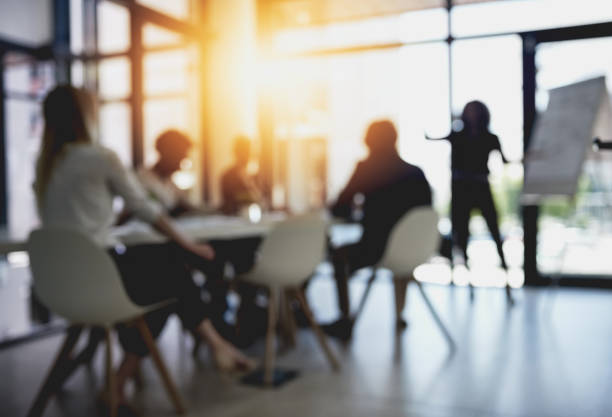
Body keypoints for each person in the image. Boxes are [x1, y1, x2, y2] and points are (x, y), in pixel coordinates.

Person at [34, 85, 254, 407]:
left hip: (59, 287)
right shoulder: (100, 157)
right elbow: (148, 211)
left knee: (164, 275)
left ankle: (212, 345)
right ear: (85, 116)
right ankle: (201, 348)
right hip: (99, 279)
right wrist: (190, 245)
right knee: (170, 277)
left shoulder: (45, 168)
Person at [325, 120, 432, 340]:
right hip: (414, 251)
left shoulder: (367, 169)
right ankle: (399, 315)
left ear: (369, 141)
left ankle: (345, 318)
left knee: (338, 255)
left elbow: (339, 207)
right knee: (397, 256)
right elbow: (425, 216)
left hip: (375, 249)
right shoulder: (415, 173)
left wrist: (358, 211)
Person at [426, 100, 510, 274]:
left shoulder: (490, 138)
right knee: (461, 235)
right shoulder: (457, 135)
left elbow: (505, 161)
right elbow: (433, 137)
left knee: (494, 230)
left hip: (481, 187)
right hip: (461, 191)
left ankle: (505, 272)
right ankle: (465, 276)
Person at [137, 129, 207, 217]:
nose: (182, 163)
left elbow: (188, 206)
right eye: (180, 156)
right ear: (165, 152)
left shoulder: (170, 183)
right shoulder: (142, 180)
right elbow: (151, 213)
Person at [220, 136, 263, 215]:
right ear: (237, 153)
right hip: (234, 219)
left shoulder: (255, 175)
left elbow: (261, 197)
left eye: (249, 152)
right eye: (245, 151)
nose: (248, 155)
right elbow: (230, 200)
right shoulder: (228, 176)